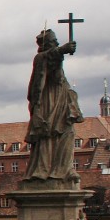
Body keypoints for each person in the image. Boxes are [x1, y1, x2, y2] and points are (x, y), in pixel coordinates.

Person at [24, 28, 83, 184]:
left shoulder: (54, 57)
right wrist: (61, 50)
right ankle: (43, 171)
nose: (57, 43)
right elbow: (46, 60)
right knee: (47, 134)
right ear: (46, 44)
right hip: (48, 100)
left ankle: (65, 169)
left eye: (57, 41)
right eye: (53, 41)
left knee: (68, 132)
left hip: (62, 99)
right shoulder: (40, 58)